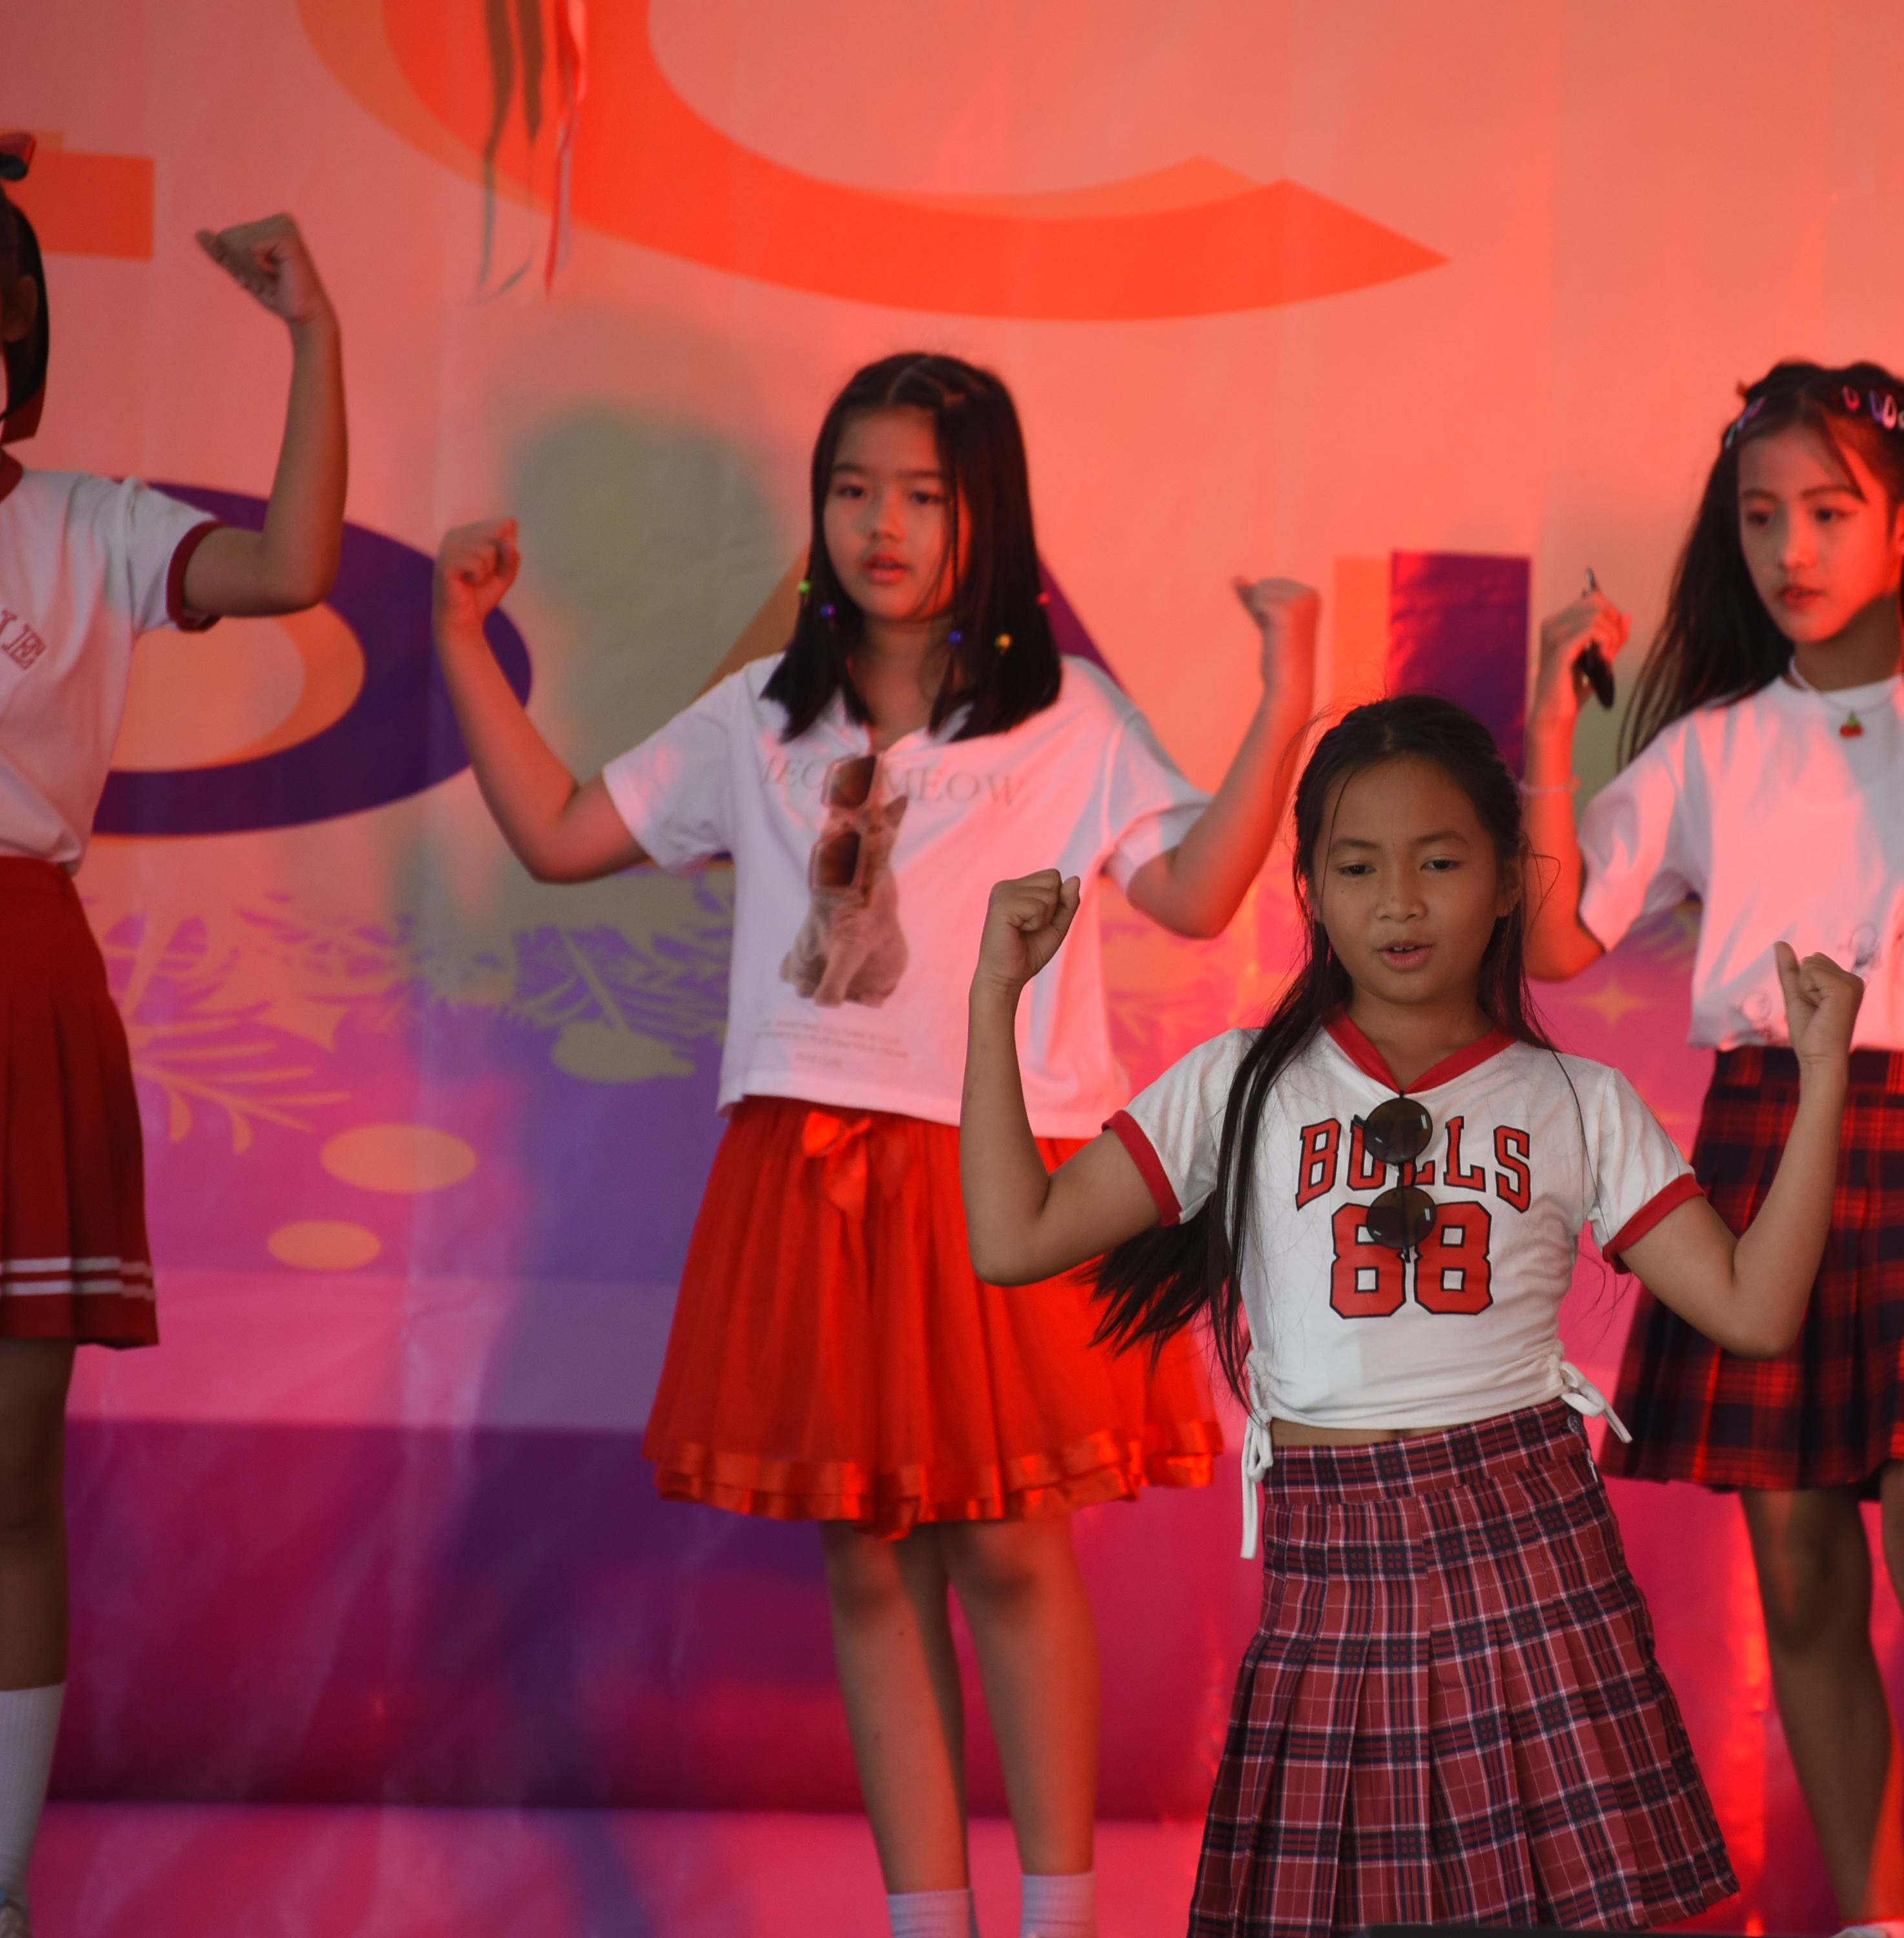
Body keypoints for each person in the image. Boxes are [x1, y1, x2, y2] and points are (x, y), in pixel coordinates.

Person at [430, 351, 1316, 1938]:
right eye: (854, 489)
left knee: (1009, 1547)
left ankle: (1058, 1916)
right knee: (866, 1555)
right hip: (810, 1173)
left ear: (991, 515)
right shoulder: (763, 720)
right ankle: (927, 1917)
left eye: (922, 493)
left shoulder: (1069, 719)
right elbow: (562, 836)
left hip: (997, 1178)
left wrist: (1287, 700)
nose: (882, 524)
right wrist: (457, 643)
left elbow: (1195, 894)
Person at [955, 694, 1865, 1936]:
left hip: (1526, 1535)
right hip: (1331, 1557)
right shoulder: (1240, 1083)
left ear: (1508, 882)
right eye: (1357, 867)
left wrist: (1825, 1076)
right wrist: (993, 997)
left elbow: (1755, 1309)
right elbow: (1014, 1238)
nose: (1399, 903)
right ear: (1310, 893)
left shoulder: (1576, 1099)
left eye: (1439, 863)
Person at [1519, 361, 1904, 1938]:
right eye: (1762, 515)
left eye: (1830, 512)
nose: (1790, 548)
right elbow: (1560, 938)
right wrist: (1551, 731)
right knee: (1796, 1559)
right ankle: (1874, 1914)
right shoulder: (1715, 744)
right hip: (1767, 1132)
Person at [0, 134, 347, 1938]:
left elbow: (291, 564)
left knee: (1, 1463)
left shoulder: (86, 527)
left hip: (14, 993)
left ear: (10, 322)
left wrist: (314, 333)